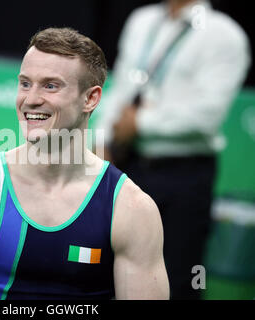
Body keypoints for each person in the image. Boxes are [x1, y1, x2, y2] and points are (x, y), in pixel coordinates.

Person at [0, 27, 169, 300]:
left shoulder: (131, 210)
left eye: (50, 85)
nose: (31, 100)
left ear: (91, 98)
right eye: (25, 83)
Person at [95, 0, 251, 299]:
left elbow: (208, 114)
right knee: (108, 272)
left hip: (184, 175)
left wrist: (142, 122)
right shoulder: (142, 20)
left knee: (182, 277)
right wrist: (103, 137)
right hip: (129, 165)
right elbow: (122, 86)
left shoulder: (224, 34)